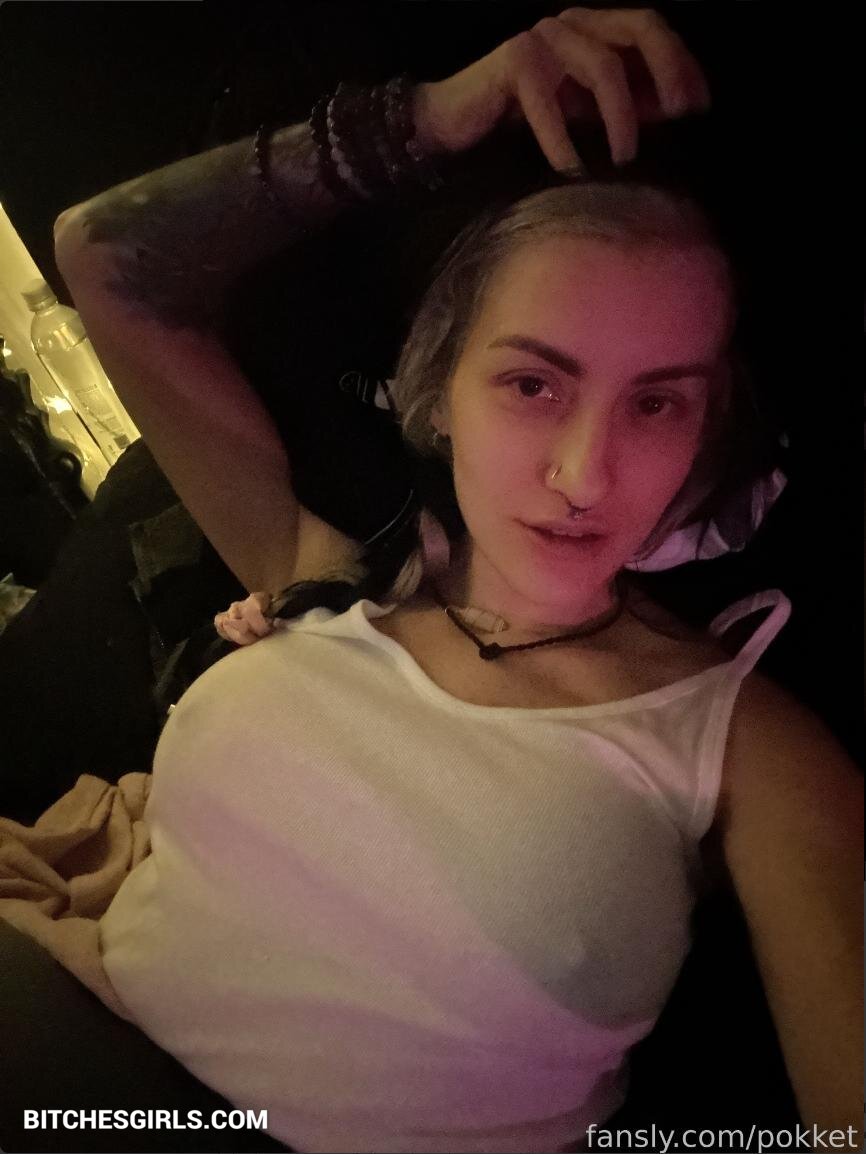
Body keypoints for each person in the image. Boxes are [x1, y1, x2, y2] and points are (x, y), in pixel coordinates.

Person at [50, 7, 862, 1153]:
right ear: (438, 390)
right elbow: (101, 255)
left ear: (705, 430)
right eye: (532, 384)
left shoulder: (742, 749)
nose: (583, 474)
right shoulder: (326, 568)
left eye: (655, 402)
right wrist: (427, 118)